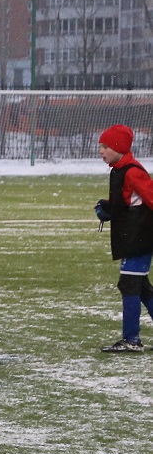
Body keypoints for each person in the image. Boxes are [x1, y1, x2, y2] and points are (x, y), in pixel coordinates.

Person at [94, 123, 153, 353]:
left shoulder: (132, 171)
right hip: (132, 237)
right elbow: (129, 202)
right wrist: (110, 207)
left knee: (129, 284)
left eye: (106, 146)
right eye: (100, 146)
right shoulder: (118, 170)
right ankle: (131, 338)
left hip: (139, 238)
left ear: (119, 147)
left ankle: (132, 339)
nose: (101, 151)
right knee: (141, 287)